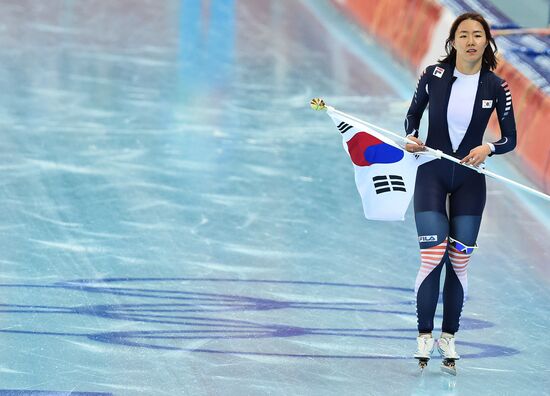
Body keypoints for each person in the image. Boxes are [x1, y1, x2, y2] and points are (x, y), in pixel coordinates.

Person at [403, 12, 517, 374]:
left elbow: (510, 138)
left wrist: (489, 149)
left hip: (470, 181)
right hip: (431, 173)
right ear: (452, 41)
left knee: (458, 262)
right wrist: (410, 138)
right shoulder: (433, 76)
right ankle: (424, 335)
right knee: (432, 255)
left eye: (477, 35)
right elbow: (411, 118)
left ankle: (448, 336)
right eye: (463, 34)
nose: (470, 40)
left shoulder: (497, 86)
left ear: (487, 42)